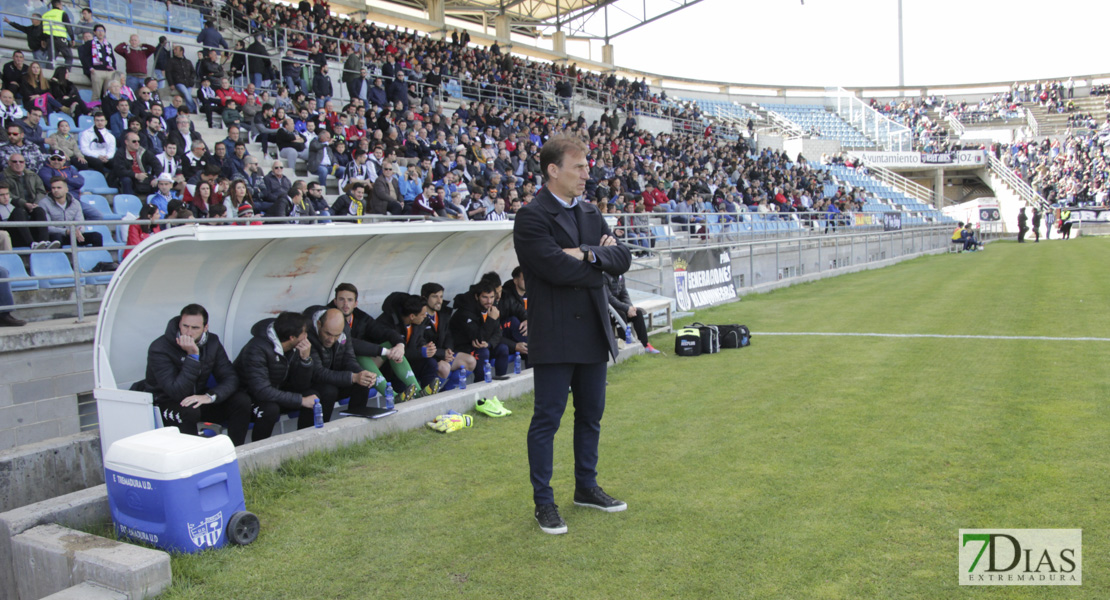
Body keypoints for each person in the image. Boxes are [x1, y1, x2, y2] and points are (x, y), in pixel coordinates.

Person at [512, 135, 632, 534]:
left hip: (593, 331)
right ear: (553, 170)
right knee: (547, 419)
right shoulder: (531, 216)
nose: (587, 174)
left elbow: (623, 258)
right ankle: (543, 502)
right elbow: (553, 269)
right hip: (556, 332)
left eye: (586, 166)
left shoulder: (590, 211)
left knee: (591, 415)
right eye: (579, 167)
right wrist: (596, 258)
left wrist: (584, 253)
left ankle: (586, 487)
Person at [141, 304, 251, 445]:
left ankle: (237, 452)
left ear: (205, 328)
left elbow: (230, 378)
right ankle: (194, 460)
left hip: (197, 399)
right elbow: (176, 392)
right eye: (185, 326)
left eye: (195, 328)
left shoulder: (212, 342)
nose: (188, 332)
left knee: (241, 400)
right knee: (189, 411)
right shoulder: (160, 348)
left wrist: (209, 397)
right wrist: (192, 356)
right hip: (166, 403)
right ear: (179, 324)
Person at [325, 282, 421, 404]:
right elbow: (350, 343)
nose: (345, 304)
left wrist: (400, 345)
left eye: (349, 300)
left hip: (358, 367)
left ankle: (418, 392)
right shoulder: (329, 317)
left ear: (356, 303)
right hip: (339, 367)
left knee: (390, 345)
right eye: (341, 300)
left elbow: (385, 331)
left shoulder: (360, 317)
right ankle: (392, 395)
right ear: (335, 301)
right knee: (360, 354)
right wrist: (383, 351)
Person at [234, 311, 317, 441]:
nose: (307, 336)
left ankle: (304, 442)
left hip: (274, 392)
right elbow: (262, 390)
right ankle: (259, 450)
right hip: (248, 396)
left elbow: (301, 385)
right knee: (270, 409)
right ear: (291, 337)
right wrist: (301, 400)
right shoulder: (256, 348)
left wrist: (305, 360)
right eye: (304, 333)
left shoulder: (295, 348)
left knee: (313, 396)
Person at [301, 307, 375, 427]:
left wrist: (361, 374)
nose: (331, 340)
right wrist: (353, 377)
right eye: (327, 334)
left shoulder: (344, 328)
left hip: (333, 379)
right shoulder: (307, 333)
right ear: (319, 324)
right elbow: (318, 373)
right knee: (329, 390)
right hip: (310, 384)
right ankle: (321, 430)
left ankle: (356, 425)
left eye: (336, 336)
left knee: (363, 383)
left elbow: (349, 358)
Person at [375, 292, 441, 397]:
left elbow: (419, 340)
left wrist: (426, 347)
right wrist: (421, 352)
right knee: (399, 364)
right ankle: (407, 399)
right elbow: (395, 353)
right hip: (392, 368)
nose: (425, 316)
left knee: (430, 363)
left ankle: (430, 396)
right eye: (423, 314)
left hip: (411, 361)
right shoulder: (388, 324)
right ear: (412, 316)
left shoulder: (418, 322)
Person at [449, 280, 510, 378]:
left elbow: (498, 332)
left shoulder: (492, 308)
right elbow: (478, 339)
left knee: (503, 348)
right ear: (477, 297)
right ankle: (480, 384)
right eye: (484, 297)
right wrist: (491, 319)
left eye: (491, 297)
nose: (489, 301)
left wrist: (489, 343)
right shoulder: (466, 312)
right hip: (464, 348)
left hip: (482, 344)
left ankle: (500, 379)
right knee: (483, 352)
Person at [421, 282, 475, 389]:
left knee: (470, 361)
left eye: (441, 296)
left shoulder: (443, 314)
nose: (439, 300)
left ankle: (447, 392)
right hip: (429, 358)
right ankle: (432, 394)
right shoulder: (420, 317)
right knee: (444, 368)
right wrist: (442, 354)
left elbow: (448, 334)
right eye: (434, 296)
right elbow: (420, 342)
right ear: (424, 298)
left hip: (443, 354)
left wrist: (449, 350)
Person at [605, 272, 660, 354]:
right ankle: (626, 346)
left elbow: (624, 294)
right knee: (621, 315)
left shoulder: (620, 275)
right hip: (607, 310)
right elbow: (609, 299)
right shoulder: (604, 276)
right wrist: (626, 308)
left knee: (638, 313)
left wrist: (630, 308)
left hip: (620, 307)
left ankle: (645, 345)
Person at [41, 177, 102, 246]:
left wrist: (78, 231)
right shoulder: (44, 203)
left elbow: (80, 223)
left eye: (59, 188)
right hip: (57, 235)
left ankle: (96, 256)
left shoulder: (75, 203)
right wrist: (67, 231)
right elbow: (47, 228)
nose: (56, 190)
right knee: (56, 238)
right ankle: (60, 256)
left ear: (66, 189)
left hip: (73, 234)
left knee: (96, 236)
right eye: (53, 188)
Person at [0, 181, 53, 249]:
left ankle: (45, 242)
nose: (5, 197)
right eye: (1, 195)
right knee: (18, 211)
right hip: (11, 235)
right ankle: (31, 243)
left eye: (7, 194)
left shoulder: (14, 202)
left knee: (38, 210)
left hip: (25, 231)